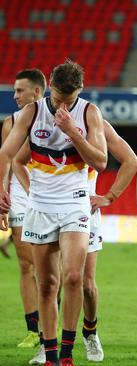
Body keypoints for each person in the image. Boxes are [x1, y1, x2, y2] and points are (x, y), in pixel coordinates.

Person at [0, 60, 108, 366]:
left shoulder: (89, 113)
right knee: (46, 284)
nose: (62, 104)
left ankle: (66, 353)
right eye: (59, 97)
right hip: (40, 206)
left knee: (74, 277)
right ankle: (50, 354)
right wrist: (4, 189)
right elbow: (7, 154)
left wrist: (73, 132)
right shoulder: (32, 113)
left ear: (80, 91)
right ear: (49, 85)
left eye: (68, 99)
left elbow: (100, 162)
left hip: (75, 204)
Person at [79, 120, 137, 362]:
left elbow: (131, 161)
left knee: (86, 284)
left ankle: (90, 332)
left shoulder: (94, 122)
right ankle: (47, 342)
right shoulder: (38, 119)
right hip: (48, 212)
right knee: (49, 282)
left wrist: (110, 196)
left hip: (84, 213)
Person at [1, 69, 45, 352]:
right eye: (14, 90)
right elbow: (5, 161)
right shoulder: (11, 122)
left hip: (50, 195)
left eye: (20, 91)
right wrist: (2, 196)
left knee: (51, 268)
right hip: (19, 196)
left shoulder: (56, 117)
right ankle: (34, 331)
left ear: (37, 92)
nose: (15, 96)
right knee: (26, 264)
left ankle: (52, 325)